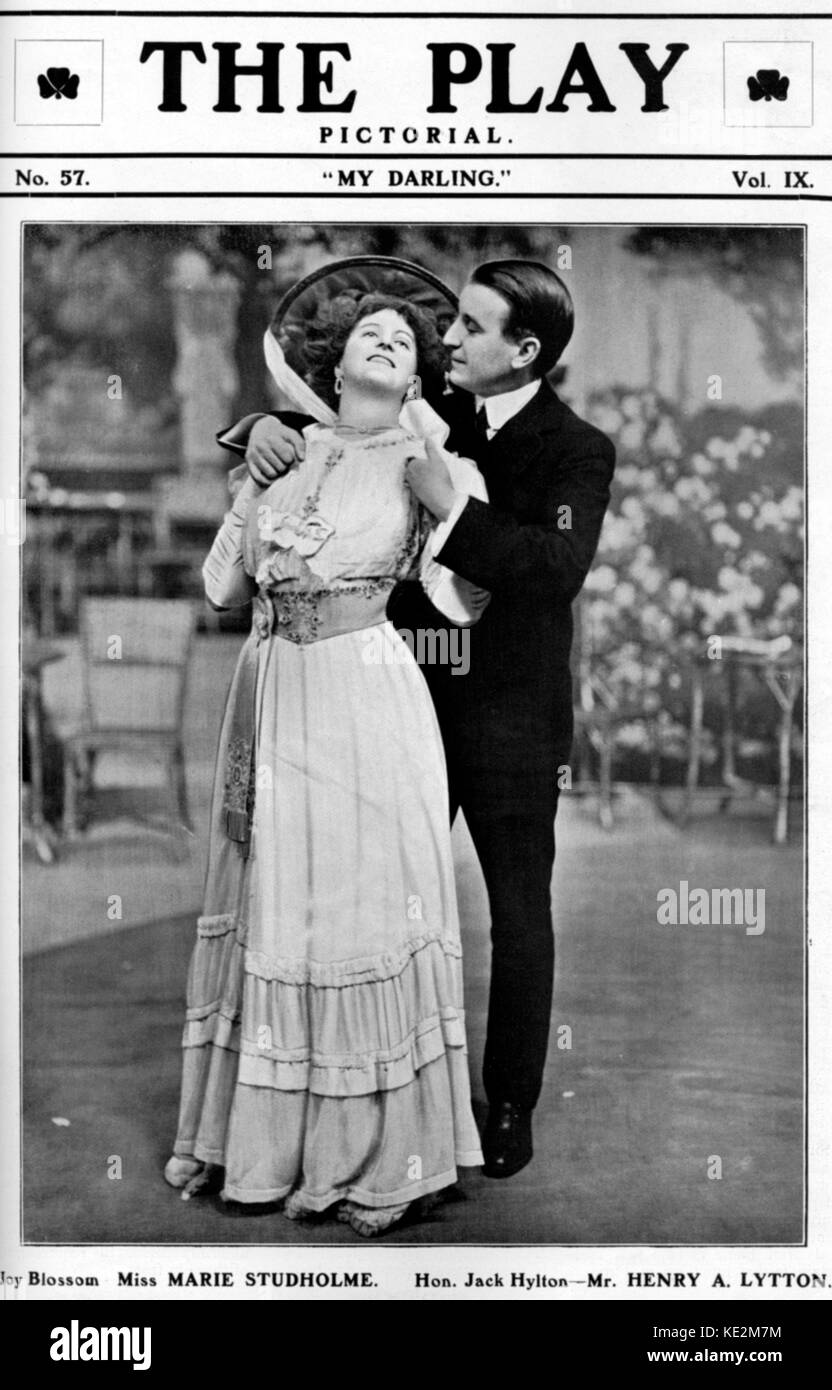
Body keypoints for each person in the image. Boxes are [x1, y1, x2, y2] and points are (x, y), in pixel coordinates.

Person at [222, 259, 616, 1182]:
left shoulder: (577, 448)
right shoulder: (437, 393)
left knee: (518, 915)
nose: (449, 339)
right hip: (398, 707)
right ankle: (373, 1101)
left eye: (472, 328)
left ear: (525, 352)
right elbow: (335, 411)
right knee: (369, 904)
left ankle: (509, 1102)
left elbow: (556, 567)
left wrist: (454, 511)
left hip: (513, 724)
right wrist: (263, 430)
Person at [165, 289, 485, 1237]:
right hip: (270, 699)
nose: (386, 342)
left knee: (354, 911)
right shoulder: (287, 448)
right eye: (367, 336)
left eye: (405, 341)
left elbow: (466, 603)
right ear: (332, 365)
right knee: (280, 907)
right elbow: (221, 586)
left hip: (363, 696)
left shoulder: (433, 462)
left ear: (417, 376)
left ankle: (378, 1161)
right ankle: (251, 1147)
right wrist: (255, 469)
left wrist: (445, 497)